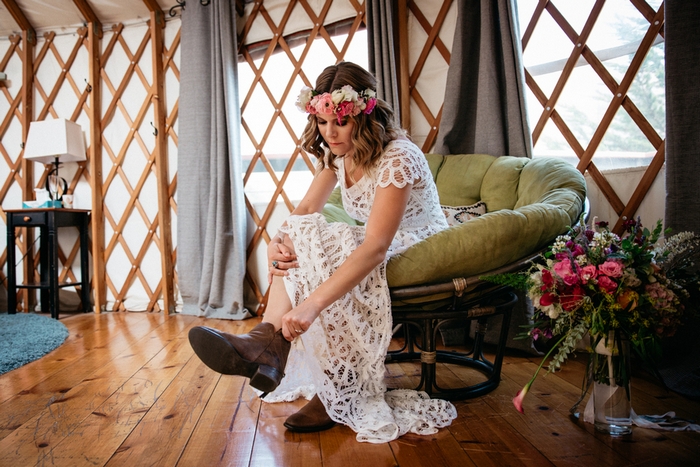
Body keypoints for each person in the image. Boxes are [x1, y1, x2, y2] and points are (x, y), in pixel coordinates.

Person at [189, 62, 457, 443]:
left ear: (365, 116)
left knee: (338, 245)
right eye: (322, 121)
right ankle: (269, 339)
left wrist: (311, 305)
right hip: (378, 241)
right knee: (302, 231)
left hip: (416, 243)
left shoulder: (399, 156)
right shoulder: (338, 154)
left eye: (341, 122)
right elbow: (302, 212)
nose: (329, 132)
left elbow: (377, 246)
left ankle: (327, 381)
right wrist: (276, 240)